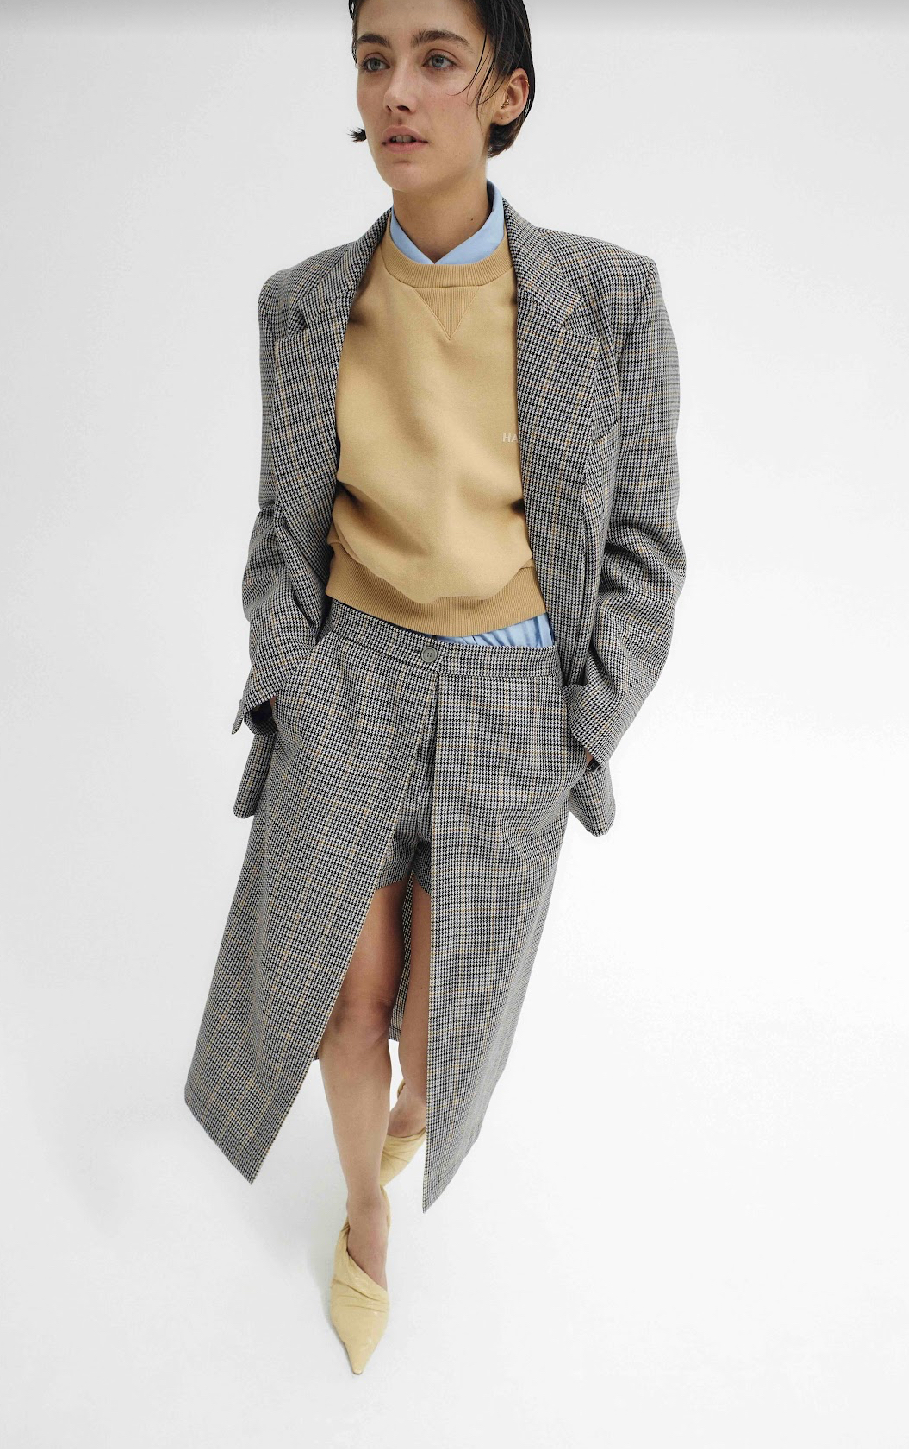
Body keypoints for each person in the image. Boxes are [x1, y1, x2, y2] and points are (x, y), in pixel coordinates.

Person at [184, 0, 685, 1375]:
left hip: (517, 704)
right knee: (344, 1005)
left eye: (437, 59)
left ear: (506, 92)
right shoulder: (304, 306)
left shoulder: (610, 298)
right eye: (373, 60)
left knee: (431, 1029)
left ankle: (406, 1122)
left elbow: (645, 550)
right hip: (350, 682)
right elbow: (280, 538)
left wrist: (582, 721)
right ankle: (363, 1217)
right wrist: (296, 681)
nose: (397, 91)